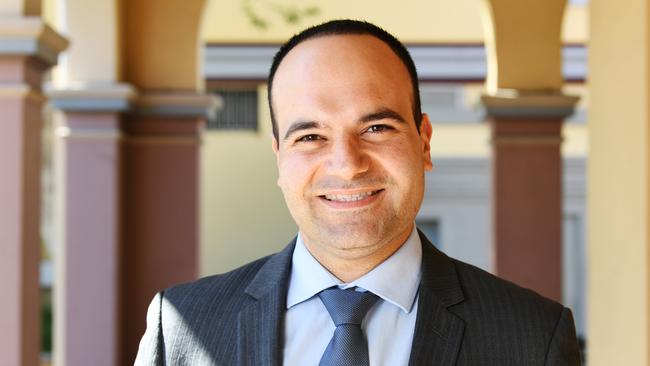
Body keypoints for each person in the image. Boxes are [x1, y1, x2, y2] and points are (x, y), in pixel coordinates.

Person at [135, 19, 581, 365]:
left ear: (423, 142)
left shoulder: (531, 337)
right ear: (279, 157)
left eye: (376, 127)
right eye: (310, 137)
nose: (348, 165)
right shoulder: (179, 327)